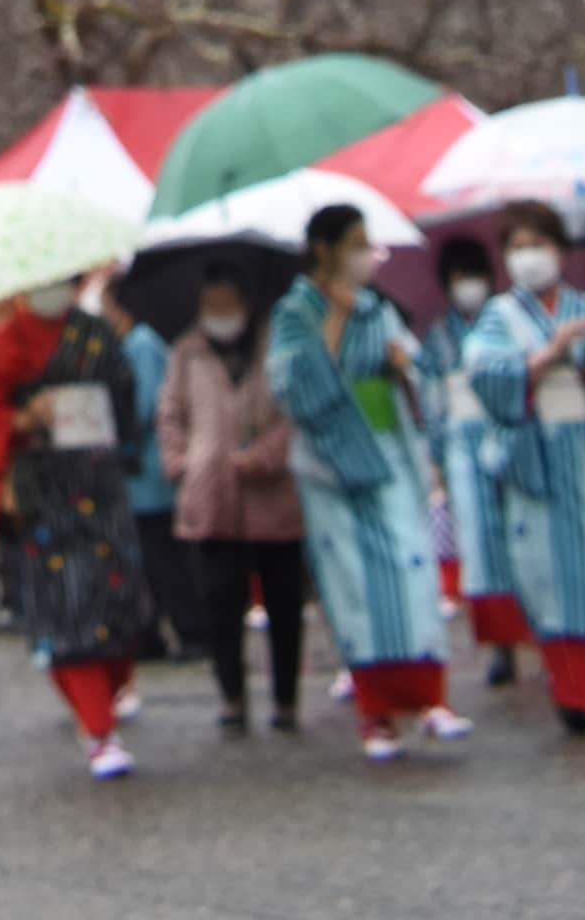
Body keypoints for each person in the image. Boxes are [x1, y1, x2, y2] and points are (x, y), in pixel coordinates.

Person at [267, 206, 466, 762]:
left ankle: (428, 697)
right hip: (333, 466)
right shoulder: (294, 312)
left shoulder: (379, 309)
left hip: (388, 452)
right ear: (324, 250)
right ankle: (375, 712)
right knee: (358, 586)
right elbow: (292, 387)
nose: (365, 252)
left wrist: (405, 366)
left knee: (411, 571)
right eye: (354, 242)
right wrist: (332, 322)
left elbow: (419, 371)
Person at [466, 200, 585, 739]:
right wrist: (547, 356)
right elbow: (485, 374)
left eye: (538, 245)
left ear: (560, 251)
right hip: (537, 464)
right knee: (548, 580)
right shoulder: (498, 318)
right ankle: (571, 692)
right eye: (518, 248)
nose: (529, 257)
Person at [0, 269, 149, 780]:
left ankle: (107, 699)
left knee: (120, 599)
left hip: (100, 482)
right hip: (44, 491)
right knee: (68, 608)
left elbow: (127, 397)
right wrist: (22, 419)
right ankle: (97, 730)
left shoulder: (95, 334)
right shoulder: (8, 341)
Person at [160, 263, 306, 738]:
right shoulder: (187, 352)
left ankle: (285, 697)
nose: (220, 314)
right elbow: (170, 414)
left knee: (285, 606)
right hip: (211, 500)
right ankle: (231, 696)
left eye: (228, 303)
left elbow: (297, 412)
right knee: (221, 606)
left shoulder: (277, 347)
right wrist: (182, 464)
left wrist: (267, 455)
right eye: (211, 305)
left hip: (273, 498)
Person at [418, 234, 529, 686]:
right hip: (464, 446)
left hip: (508, 435)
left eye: (476, 276)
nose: (470, 286)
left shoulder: (508, 322)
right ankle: (500, 645)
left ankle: (539, 630)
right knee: (481, 547)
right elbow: (432, 402)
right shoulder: (439, 336)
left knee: (524, 536)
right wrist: (436, 461)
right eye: (461, 278)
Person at [119, 301, 197, 660]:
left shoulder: (141, 344)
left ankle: (189, 629)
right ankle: (156, 630)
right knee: (152, 558)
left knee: (165, 557)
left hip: (150, 471)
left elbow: (145, 405)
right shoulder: (134, 344)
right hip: (143, 476)